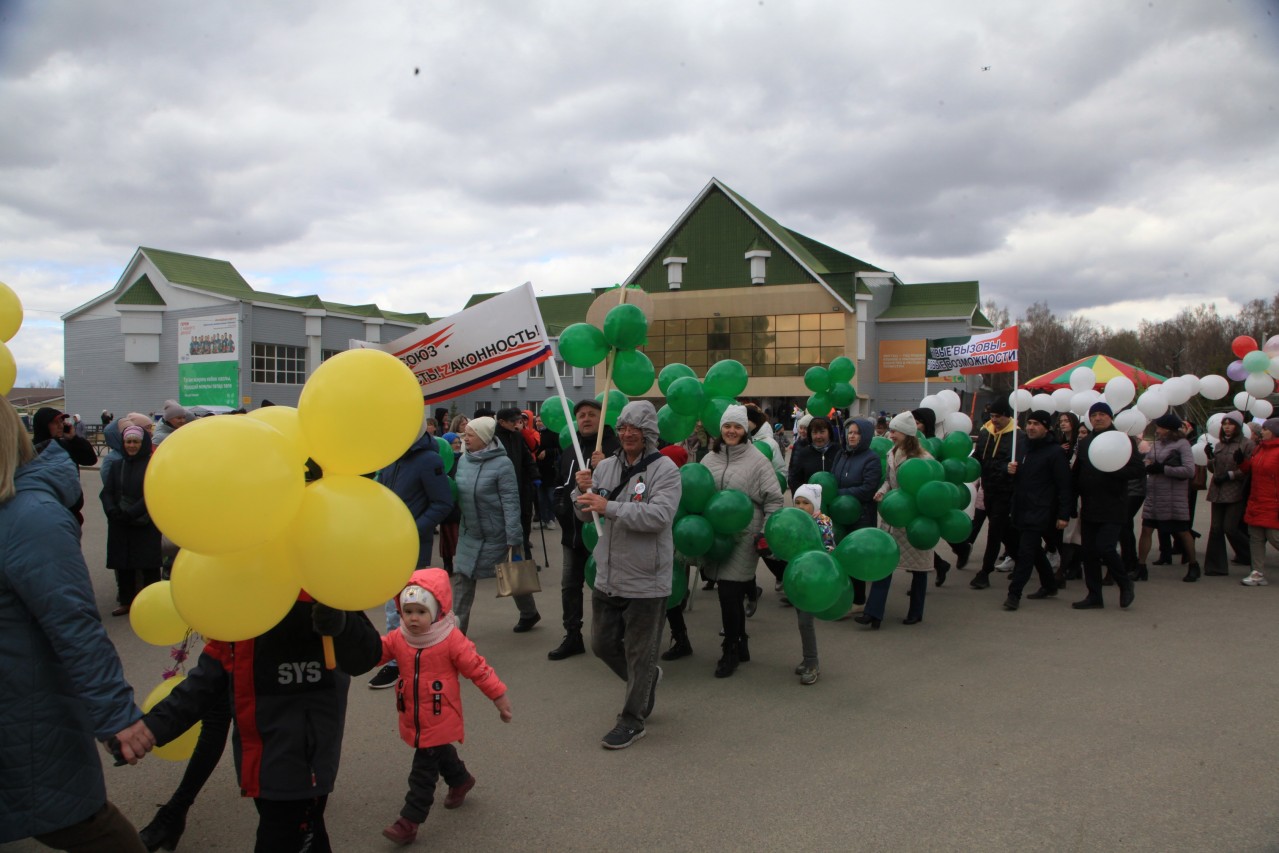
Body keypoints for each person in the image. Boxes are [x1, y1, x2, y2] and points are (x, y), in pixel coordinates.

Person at [1, 400, 154, 852]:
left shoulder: (30, 518)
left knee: (90, 829)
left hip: (25, 719)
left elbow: (75, 626)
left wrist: (115, 715)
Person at [130, 595, 381, 852]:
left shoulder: (315, 590)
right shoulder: (243, 601)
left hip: (301, 764)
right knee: (307, 838)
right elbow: (207, 679)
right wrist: (152, 727)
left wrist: (341, 624)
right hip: (259, 761)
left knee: (285, 835)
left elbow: (366, 656)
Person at [375, 569, 512, 845]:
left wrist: (499, 696)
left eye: (421, 611)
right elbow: (376, 652)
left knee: (423, 771)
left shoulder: (450, 639)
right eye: (408, 610)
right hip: (414, 713)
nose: (413, 618)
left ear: (436, 612)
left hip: (440, 713)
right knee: (438, 752)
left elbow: (478, 669)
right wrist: (351, 651)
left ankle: (409, 821)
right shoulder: (400, 637)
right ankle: (460, 779)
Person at [572, 400, 681, 749]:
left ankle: (633, 720)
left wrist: (610, 506)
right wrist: (582, 493)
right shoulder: (604, 469)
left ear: (649, 432)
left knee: (639, 652)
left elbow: (659, 517)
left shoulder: (665, 469)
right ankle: (647, 678)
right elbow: (587, 516)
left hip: (647, 579)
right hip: (609, 573)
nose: (628, 434)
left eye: (635, 429)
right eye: (623, 428)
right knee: (602, 645)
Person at [369, 418, 456, 689]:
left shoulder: (428, 460)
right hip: (388, 541)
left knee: (404, 603)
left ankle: (400, 662)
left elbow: (443, 503)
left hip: (412, 544)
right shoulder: (391, 458)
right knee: (394, 601)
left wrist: (412, 529)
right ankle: (411, 656)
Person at [700, 405, 784, 677]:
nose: (732, 431)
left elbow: (774, 499)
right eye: (727, 426)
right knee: (730, 594)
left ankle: (731, 649)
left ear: (746, 429)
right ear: (720, 429)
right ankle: (742, 643)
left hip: (746, 534)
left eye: (737, 426)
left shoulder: (757, 460)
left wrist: (767, 531)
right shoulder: (709, 460)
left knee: (728, 592)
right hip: (716, 536)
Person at [452, 417, 540, 634]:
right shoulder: (464, 460)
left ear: (483, 438)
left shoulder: (503, 464)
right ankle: (455, 632)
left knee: (513, 573)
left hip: (497, 533)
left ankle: (529, 613)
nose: (466, 438)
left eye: (471, 435)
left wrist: (513, 537)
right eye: (466, 434)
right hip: (470, 531)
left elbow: (510, 501)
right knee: (463, 579)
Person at [548, 400, 619, 660]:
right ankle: (572, 635)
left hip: (605, 533)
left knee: (609, 587)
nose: (586, 419)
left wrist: (607, 465)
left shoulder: (615, 448)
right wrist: (560, 508)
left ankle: (612, 636)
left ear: (602, 418)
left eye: (592, 414)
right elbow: (558, 484)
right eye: (581, 415)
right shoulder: (569, 450)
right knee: (570, 586)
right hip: (573, 533)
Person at [859, 411, 934, 627]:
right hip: (893, 517)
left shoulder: (924, 459)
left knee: (919, 569)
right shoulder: (891, 453)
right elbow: (889, 481)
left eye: (895, 431)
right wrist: (882, 491)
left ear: (907, 433)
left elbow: (928, 490)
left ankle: (916, 611)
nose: (891, 435)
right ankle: (873, 613)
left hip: (915, 521)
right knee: (884, 565)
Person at [1071, 402, 1142, 609]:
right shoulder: (1085, 443)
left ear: (1110, 417)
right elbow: (1076, 474)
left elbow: (1138, 470)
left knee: (1106, 547)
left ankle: (1125, 583)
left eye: (1102, 414)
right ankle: (1094, 595)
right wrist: (1070, 502)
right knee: (1089, 552)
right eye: (1094, 415)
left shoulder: (1123, 440)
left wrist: (1112, 469)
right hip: (1090, 506)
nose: (1098, 418)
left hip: (1114, 505)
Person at [1002, 411, 1071, 610]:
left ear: (1046, 428)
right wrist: (1011, 470)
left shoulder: (1055, 452)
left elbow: (1064, 485)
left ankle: (1014, 594)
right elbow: (1016, 476)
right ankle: (1049, 585)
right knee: (1033, 550)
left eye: (1036, 424)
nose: (1031, 427)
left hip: (1040, 509)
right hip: (1020, 507)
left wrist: (1064, 514)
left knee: (1025, 552)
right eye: (1029, 423)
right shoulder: (1022, 446)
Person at [100, 424, 162, 616]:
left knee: (148, 566)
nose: (132, 446)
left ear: (142, 443)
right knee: (123, 563)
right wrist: (111, 510)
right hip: (120, 521)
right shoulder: (118, 465)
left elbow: (152, 494)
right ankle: (127, 601)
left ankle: (153, 602)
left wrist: (131, 513)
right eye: (128, 442)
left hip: (144, 522)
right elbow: (107, 492)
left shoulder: (152, 465)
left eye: (136, 442)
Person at [1136, 412, 1200, 582]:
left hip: (1173, 498)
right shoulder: (1157, 444)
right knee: (1146, 529)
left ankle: (1193, 564)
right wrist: (1147, 465)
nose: (1157, 430)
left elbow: (1189, 470)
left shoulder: (1182, 444)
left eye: (1159, 427)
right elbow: (1149, 461)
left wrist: (1163, 469)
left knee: (1182, 531)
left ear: (1168, 428)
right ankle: (1141, 566)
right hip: (1155, 496)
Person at [830, 416, 881, 606]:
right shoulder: (841, 454)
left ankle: (859, 600)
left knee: (856, 557)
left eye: (857, 433)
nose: (852, 436)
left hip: (860, 515)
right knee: (840, 555)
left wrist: (839, 493)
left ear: (865, 436)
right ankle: (843, 596)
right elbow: (833, 479)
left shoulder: (871, 459)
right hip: (839, 514)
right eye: (849, 432)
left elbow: (868, 489)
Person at [969, 399, 1020, 590]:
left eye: (999, 416)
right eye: (992, 416)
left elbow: (1013, 464)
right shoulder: (984, 432)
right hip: (988, 488)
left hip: (1006, 491)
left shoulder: (1017, 436)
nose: (995, 420)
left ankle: (985, 572)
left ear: (1008, 416)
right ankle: (1024, 559)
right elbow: (979, 458)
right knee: (1006, 531)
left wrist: (1006, 468)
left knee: (995, 531)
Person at [790, 483, 835, 685]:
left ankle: (812, 663)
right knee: (801, 620)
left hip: (814, 578)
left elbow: (827, 547)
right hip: (799, 576)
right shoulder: (794, 521)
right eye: (797, 502)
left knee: (805, 622)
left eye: (805, 503)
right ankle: (807, 658)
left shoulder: (822, 522)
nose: (800, 507)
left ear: (815, 505)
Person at [1203, 411, 1253, 576]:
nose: (1227, 427)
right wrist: (1209, 458)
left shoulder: (1246, 444)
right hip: (1217, 491)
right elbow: (1214, 468)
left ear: (1238, 426)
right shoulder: (1219, 445)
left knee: (1230, 528)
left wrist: (1231, 474)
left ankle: (1252, 554)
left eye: (1231, 424)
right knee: (1216, 528)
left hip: (1235, 491)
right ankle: (1215, 566)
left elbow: (1249, 470)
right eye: (1224, 424)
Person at [1239, 418, 1279, 586]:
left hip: (1273, 503)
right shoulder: (1259, 449)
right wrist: (1241, 461)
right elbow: (1251, 470)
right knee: (1255, 538)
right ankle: (1257, 572)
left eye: (1266, 429)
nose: (1262, 432)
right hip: (1256, 501)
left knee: (1274, 537)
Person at [495, 407, 538, 560]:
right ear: (501, 422)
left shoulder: (517, 436)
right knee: (507, 525)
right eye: (513, 421)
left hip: (521, 486)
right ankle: (506, 559)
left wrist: (535, 475)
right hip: (502, 490)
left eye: (519, 420)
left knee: (524, 522)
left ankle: (526, 557)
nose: (517, 424)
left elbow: (527, 457)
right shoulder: (493, 439)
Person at [788, 416, 838, 493]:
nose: (818, 436)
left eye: (822, 432)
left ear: (829, 432)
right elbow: (794, 480)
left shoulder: (839, 452)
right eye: (814, 432)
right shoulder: (804, 454)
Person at [534, 414, 560, 529]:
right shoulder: (536, 434)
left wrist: (547, 452)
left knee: (550, 497)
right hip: (539, 471)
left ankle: (551, 519)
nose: (538, 423)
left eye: (540, 421)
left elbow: (560, 449)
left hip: (550, 470)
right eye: (537, 421)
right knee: (541, 499)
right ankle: (543, 519)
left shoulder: (553, 433)